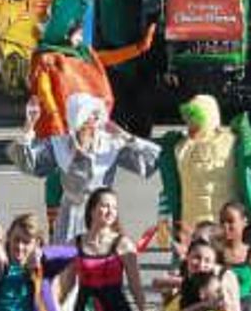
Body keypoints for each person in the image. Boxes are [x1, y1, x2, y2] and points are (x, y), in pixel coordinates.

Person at [11, 92, 162, 244]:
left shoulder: (110, 144)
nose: (97, 118)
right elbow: (29, 163)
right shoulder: (61, 145)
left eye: (97, 113)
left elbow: (152, 160)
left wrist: (125, 136)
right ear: (79, 119)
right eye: (91, 114)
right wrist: (29, 125)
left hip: (103, 216)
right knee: (67, 262)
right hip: (71, 219)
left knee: (102, 260)